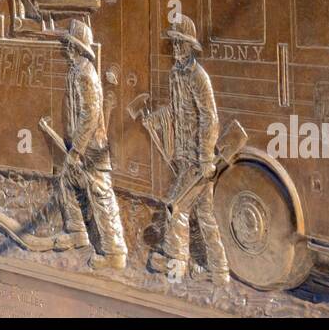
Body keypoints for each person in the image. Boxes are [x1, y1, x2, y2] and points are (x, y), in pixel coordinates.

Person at [147, 16, 229, 283]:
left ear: (190, 46)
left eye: (180, 44)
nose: (175, 48)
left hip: (198, 158)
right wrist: (156, 118)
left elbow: (210, 118)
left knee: (175, 207)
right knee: (205, 214)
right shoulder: (175, 74)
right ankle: (219, 272)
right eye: (173, 43)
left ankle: (177, 264)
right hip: (184, 156)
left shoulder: (198, 76)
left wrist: (206, 157)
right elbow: (175, 111)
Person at [53, 18, 127, 270]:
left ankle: (115, 253)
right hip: (81, 145)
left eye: (70, 45)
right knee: (68, 181)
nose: (66, 49)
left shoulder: (85, 73)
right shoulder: (76, 70)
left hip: (92, 148)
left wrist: (78, 148)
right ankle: (77, 232)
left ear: (77, 47)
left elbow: (91, 114)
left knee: (101, 195)